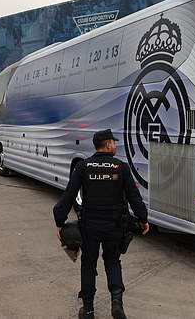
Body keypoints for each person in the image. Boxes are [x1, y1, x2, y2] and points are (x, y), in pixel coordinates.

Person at [53, 129, 149, 319]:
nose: (114, 145)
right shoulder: (120, 167)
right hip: (114, 226)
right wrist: (143, 219)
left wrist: (59, 221)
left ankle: (88, 310)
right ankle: (116, 303)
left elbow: (69, 195)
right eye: (113, 142)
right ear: (107, 144)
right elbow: (134, 198)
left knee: (88, 263)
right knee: (112, 260)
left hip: (90, 226)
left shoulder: (83, 167)